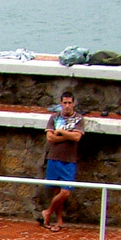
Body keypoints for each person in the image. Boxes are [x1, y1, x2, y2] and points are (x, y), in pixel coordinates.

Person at [41, 91, 84, 231]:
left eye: (69, 103)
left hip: (69, 159)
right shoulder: (54, 117)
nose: (67, 106)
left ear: (74, 103)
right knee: (57, 191)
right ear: (61, 103)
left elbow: (77, 137)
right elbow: (50, 138)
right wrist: (68, 135)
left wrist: (60, 132)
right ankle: (58, 220)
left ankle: (47, 212)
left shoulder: (78, 119)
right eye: (64, 103)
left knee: (65, 192)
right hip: (54, 157)